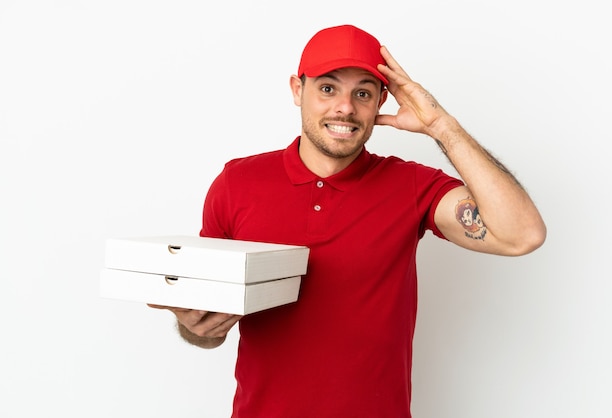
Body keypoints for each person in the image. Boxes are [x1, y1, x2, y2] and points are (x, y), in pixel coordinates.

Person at [150, 24, 546, 417]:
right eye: (328, 88)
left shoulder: (412, 185)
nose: (345, 107)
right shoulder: (237, 183)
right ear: (296, 90)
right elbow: (206, 326)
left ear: (380, 103)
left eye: (362, 93)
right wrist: (196, 327)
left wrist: (442, 127)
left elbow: (521, 235)